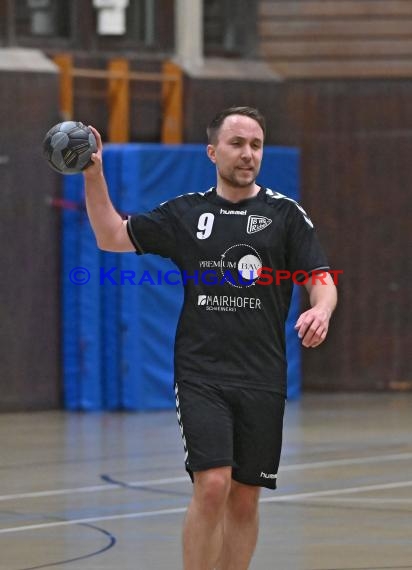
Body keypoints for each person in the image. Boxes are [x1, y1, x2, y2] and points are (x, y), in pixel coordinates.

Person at [83, 106, 337, 570]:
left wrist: (320, 308)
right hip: (202, 372)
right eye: (237, 144)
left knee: (244, 499)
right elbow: (110, 235)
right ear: (212, 150)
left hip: (262, 374)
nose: (248, 155)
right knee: (214, 484)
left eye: (256, 145)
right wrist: (94, 174)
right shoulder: (187, 213)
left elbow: (320, 277)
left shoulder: (284, 214)